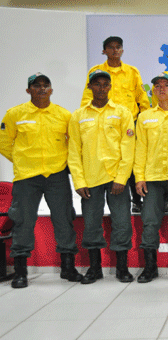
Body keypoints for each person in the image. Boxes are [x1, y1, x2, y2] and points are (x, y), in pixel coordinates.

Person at [0, 73, 83, 288]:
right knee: (23, 221)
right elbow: (4, 142)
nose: (42, 89)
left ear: (52, 90)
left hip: (57, 175)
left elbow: (73, 144)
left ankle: (68, 268)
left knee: (64, 219)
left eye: (46, 86)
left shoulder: (64, 115)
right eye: (37, 86)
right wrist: (22, 161)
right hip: (27, 176)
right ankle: (20, 272)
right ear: (28, 90)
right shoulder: (15, 114)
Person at [68, 69, 136, 284]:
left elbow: (129, 147)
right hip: (90, 180)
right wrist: (78, 181)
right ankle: (94, 268)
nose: (101, 88)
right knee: (91, 224)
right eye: (96, 84)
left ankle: (122, 268)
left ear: (110, 87)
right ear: (89, 87)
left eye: (105, 84)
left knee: (122, 223)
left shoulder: (122, 112)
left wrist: (122, 178)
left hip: (116, 178)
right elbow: (73, 151)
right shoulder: (78, 116)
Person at [80, 36, 151, 214]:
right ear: (104, 51)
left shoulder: (132, 72)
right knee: (111, 158)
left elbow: (142, 98)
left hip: (130, 123)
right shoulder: (95, 71)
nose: (114, 50)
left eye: (118, 47)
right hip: (105, 122)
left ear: (122, 50)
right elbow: (87, 97)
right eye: (110, 48)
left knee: (133, 160)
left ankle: (137, 200)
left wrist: (145, 120)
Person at [133, 73, 168, 283]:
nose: (162, 88)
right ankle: (150, 267)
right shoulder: (145, 116)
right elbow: (140, 149)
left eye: (167, 85)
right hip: (153, 177)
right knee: (149, 222)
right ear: (153, 91)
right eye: (157, 86)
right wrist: (139, 177)